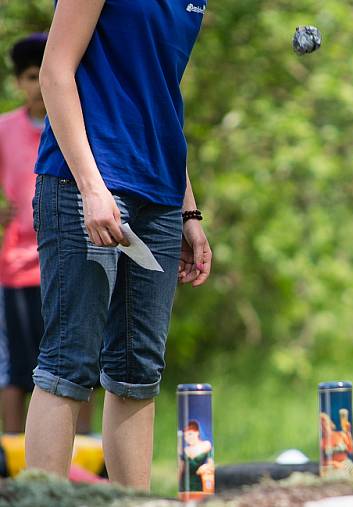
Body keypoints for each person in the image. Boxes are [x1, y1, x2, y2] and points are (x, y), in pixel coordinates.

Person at [24, 0, 212, 490]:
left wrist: (188, 210)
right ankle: (41, 503)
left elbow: (161, 100)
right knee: (69, 363)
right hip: (83, 185)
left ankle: (135, 502)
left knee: (138, 371)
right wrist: (91, 188)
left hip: (161, 197)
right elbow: (54, 73)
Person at [0, 33, 96, 436]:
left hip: (74, 255)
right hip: (18, 266)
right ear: (19, 82)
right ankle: (12, 448)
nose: (39, 86)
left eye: (46, 74)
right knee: (18, 367)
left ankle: (87, 449)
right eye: (31, 76)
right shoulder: (4, 129)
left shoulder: (79, 124)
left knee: (83, 358)